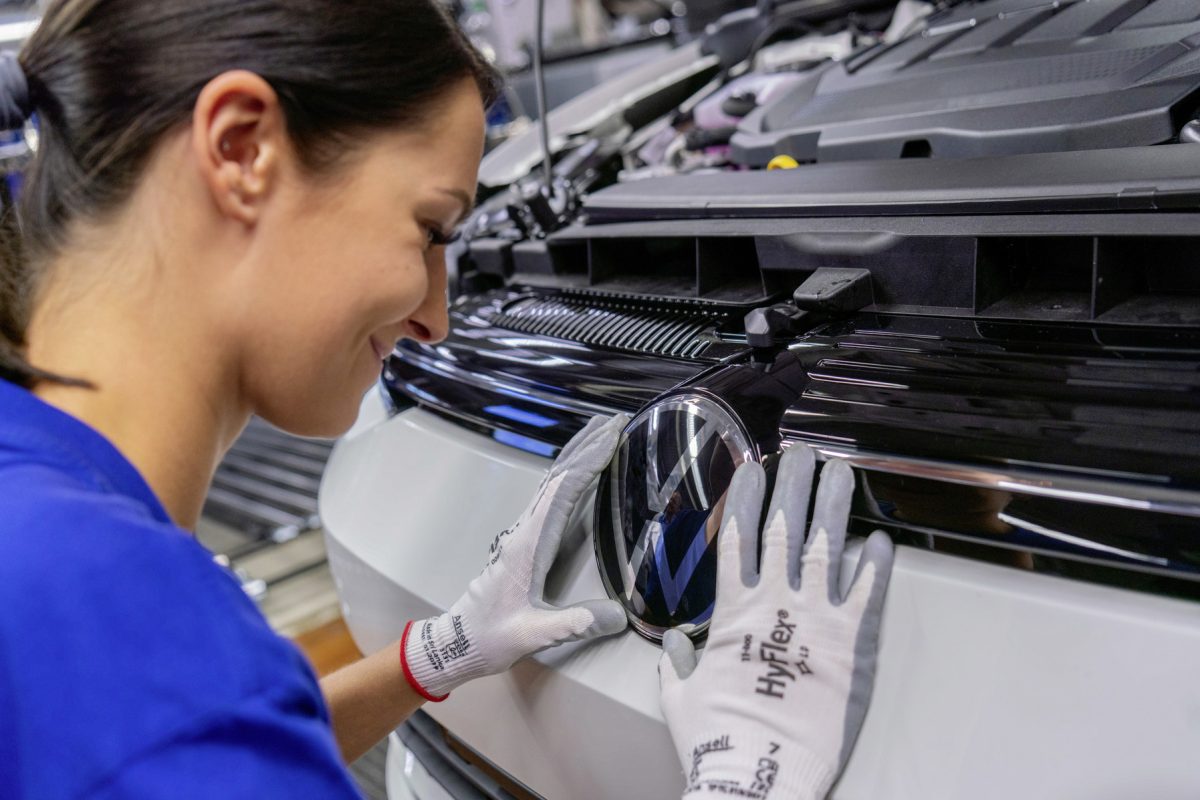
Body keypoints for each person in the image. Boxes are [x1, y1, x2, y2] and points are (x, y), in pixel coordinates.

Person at [0, 1, 894, 798]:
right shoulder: (119, 624)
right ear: (242, 148)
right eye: (430, 230)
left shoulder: (50, 532)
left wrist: (434, 656)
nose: (435, 316)